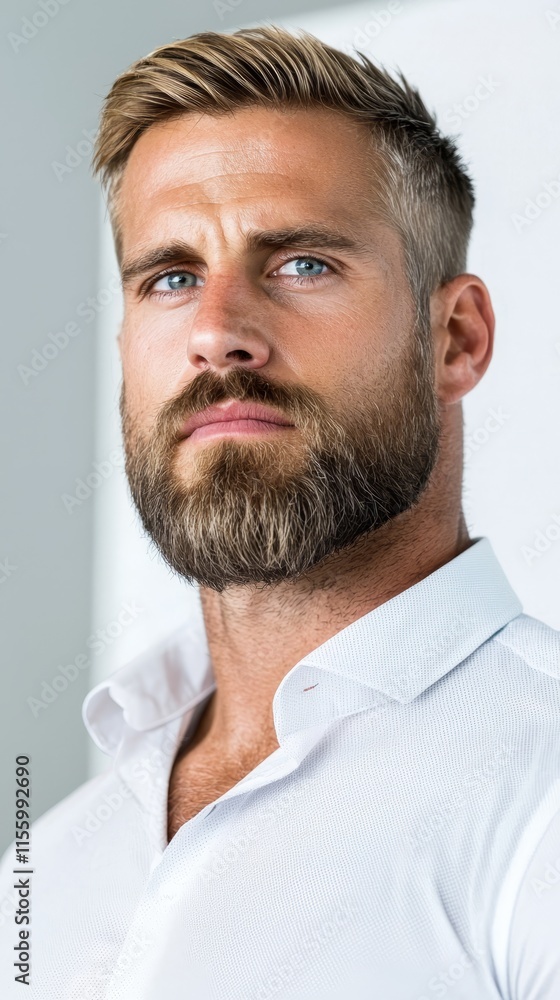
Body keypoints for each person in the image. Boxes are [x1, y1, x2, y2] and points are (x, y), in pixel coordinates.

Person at [1, 25, 559, 1000]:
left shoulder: (539, 796)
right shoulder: (47, 861)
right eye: (170, 277)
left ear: (455, 338)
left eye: (300, 262)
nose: (218, 332)